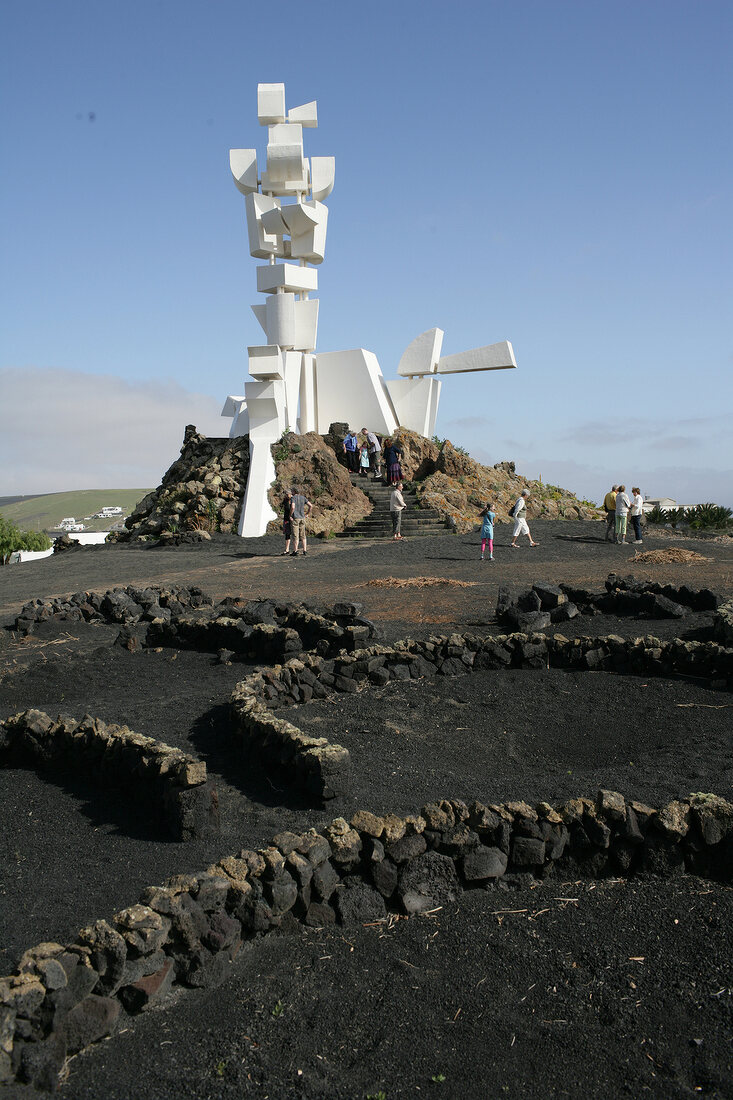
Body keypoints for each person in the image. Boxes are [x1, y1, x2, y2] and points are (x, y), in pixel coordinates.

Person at [289, 487, 312, 556]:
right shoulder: (303, 498)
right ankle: (305, 550)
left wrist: (290, 515)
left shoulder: (293, 498)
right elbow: (310, 505)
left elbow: (293, 507)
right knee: (303, 535)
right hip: (302, 517)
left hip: (295, 518)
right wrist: (307, 514)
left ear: (294, 491)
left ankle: (295, 551)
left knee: (296, 535)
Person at [281, 488, 293, 555]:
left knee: (295, 534)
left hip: (293, 518)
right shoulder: (285, 500)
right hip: (286, 519)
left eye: (286, 494)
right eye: (285, 494)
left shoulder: (293, 499)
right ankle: (287, 549)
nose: (285, 495)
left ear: (290, 494)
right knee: (287, 534)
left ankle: (295, 549)